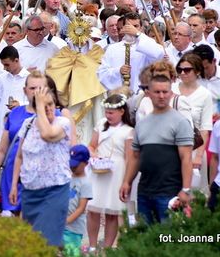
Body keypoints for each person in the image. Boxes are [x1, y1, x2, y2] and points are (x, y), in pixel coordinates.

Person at [119, 75, 193, 224]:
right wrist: (127, 181)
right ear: (149, 93)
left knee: (169, 239)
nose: (161, 96)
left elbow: (186, 158)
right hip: (145, 191)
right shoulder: (142, 124)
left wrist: (185, 189)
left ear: (171, 93)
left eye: (165, 92)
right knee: (146, 239)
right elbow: (135, 156)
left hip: (170, 192)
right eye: (157, 92)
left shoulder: (180, 122)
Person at [9, 85, 71, 247]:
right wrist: (14, 185)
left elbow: (48, 134)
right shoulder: (28, 124)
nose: (48, 108)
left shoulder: (63, 122)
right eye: (44, 105)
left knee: (48, 241)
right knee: (31, 240)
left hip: (54, 190)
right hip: (30, 190)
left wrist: (41, 111)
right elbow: (20, 156)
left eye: (50, 104)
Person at [87, 94, 134, 251]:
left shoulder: (129, 131)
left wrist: (127, 180)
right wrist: (94, 155)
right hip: (99, 170)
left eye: (111, 112)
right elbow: (92, 145)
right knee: (93, 209)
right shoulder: (101, 125)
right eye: (106, 112)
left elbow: (129, 157)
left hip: (117, 172)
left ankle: (107, 248)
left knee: (112, 213)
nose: (108, 115)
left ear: (121, 111)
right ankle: (93, 246)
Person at [172, 53, 213, 193]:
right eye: (180, 69)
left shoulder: (205, 94)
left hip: (194, 147)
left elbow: (205, 127)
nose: (182, 73)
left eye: (187, 70)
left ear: (197, 71)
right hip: (171, 145)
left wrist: (199, 156)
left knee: (193, 193)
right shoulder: (171, 89)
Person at [63, 145, 92, 257]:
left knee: (72, 253)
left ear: (85, 163)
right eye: (71, 164)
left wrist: (67, 221)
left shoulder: (86, 183)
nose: (72, 167)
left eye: (76, 165)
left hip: (74, 228)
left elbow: (81, 208)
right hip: (62, 225)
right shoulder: (67, 178)